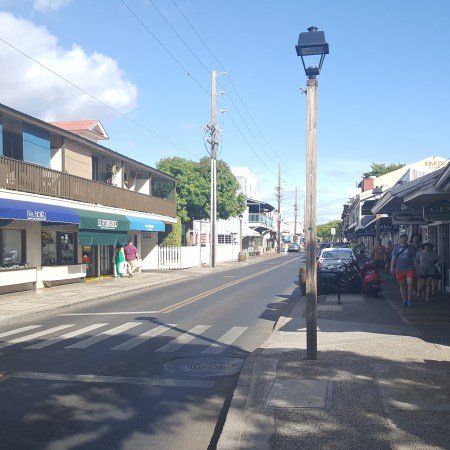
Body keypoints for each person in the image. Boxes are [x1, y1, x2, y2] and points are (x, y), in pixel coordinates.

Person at [391, 233, 418, 307]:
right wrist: (392, 268)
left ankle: (409, 299)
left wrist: (416, 269)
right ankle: (404, 300)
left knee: (410, 283)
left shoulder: (411, 248)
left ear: (407, 239)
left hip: (410, 268)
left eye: (405, 238)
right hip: (400, 268)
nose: (404, 239)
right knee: (402, 285)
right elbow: (393, 258)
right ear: (400, 239)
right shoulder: (396, 248)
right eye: (402, 238)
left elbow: (414, 259)